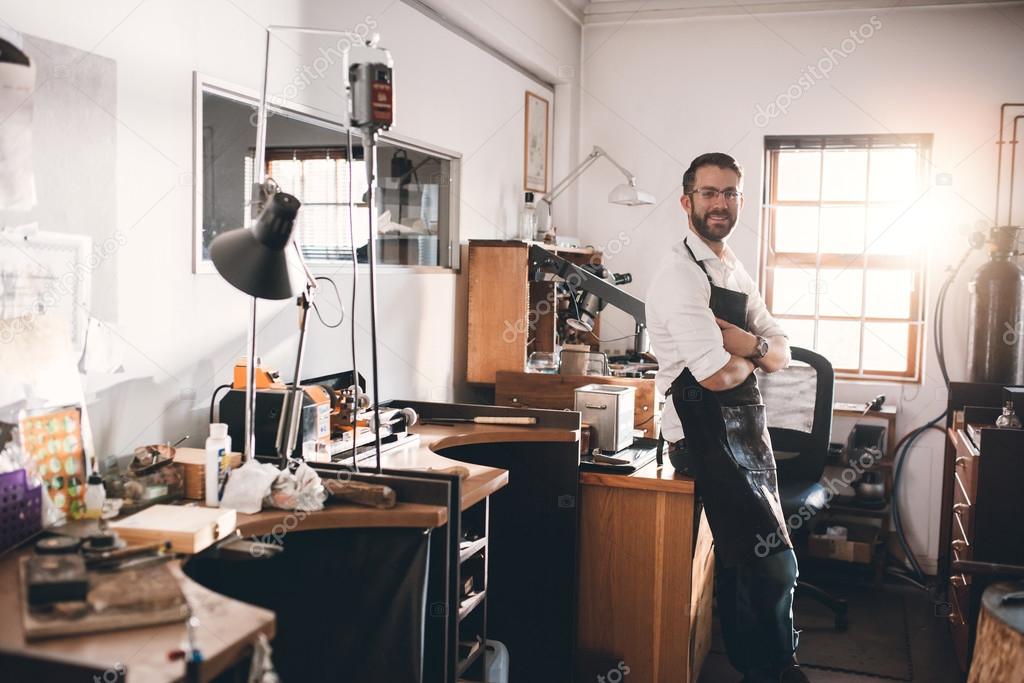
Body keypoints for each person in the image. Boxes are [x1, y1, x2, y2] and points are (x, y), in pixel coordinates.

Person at [646, 152, 808, 683]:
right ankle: (771, 672)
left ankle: (763, 668)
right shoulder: (679, 275)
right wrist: (750, 354)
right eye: (710, 193)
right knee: (769, 563)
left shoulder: (733, 267)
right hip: (701, 438)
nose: (721, 203)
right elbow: (714, 377)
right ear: (686, 201)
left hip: (747, 436)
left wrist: (747, 343)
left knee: (756, 562)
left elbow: (783, 354)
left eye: (730, 193)